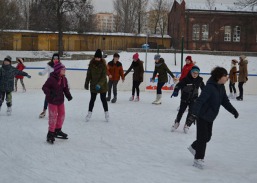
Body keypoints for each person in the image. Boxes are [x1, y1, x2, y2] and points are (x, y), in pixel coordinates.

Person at [186, 67, 239, 169]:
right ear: (219, 76)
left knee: (207, 137)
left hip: (210, 117)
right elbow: (199, 101)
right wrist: (193, 115)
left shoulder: (221, 87)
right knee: (202, 139)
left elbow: (225, 101)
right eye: (225, 75)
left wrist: (233, 111)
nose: (227, 78)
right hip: (202, 116)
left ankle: (193, 147)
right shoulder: (209, 87)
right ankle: (198, 159)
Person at [42, 62, 72, 144]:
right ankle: (50, 133)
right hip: (52, 101)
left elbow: (65, 89)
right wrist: (50, 93)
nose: (65, 70)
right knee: (53, 116)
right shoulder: (51, 79)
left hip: (60, 100)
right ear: (58, 70)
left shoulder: (64, 79)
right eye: (63, 69)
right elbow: (44, 87)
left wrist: (68, 95)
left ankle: (57, 130)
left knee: (62, 114)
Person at [171, 66, 205, 133]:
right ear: (191, 72)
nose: (195, 74)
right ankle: (177, 122)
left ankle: (187, 125)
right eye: (193, 73)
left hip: (194, 99)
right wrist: (176, 90)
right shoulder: (186, 79)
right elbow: (178, 85)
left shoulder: (199, 80)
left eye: (196, 73)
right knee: (181, 111)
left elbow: (204, 88)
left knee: (191, 112)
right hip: (185, 98)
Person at [84, 49, 109, 122]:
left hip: (102, 85)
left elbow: (104, 77)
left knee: (103, 99)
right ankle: (89, 113)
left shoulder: (103, 66)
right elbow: (88, 75)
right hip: (93, 85)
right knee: (92, 100)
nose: (98, 59)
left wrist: (99, 84)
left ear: (101, 58)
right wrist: (86, 83)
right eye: (96, 57)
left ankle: (106, 113)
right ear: (94, 57)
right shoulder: (91, 65)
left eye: (99, 57)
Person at [38, 53, 60, 118]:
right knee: (47, 97)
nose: (55, 60)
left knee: (57, 98)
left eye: (57, 58)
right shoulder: (49, 65)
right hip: (49, 84)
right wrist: (41, 73)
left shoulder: (60, 66)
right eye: (54, 58)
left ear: (58, 59)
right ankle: (44, 111)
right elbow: (44, 71)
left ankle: (56, 112)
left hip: (57, 84)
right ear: (52, 59)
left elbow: (63, 75)